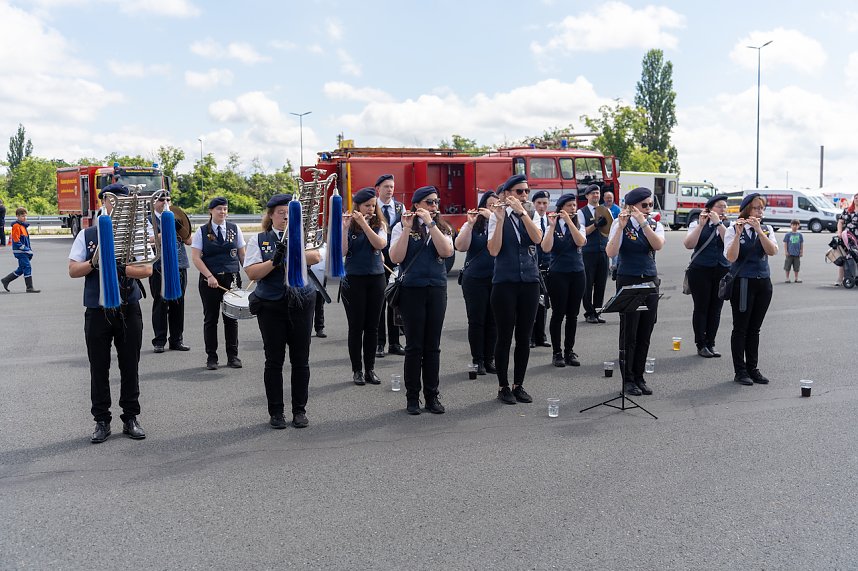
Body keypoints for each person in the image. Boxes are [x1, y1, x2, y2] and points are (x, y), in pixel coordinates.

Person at [68, 185, 152, 443]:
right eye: (113, 200)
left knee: (130, 365)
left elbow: (147, 270)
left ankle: (130, 417)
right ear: (104, 202)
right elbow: (73, 270)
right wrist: (94, 263)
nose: (118, 205)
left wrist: (121, 268)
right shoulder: (88, 234)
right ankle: (102, 420)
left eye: (123, 201)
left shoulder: (135, 234)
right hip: (97, 309)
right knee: (98, 366)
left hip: (128, 307)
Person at [244, 194, 319, 428]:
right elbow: (252, 273)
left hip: (301, 304)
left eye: (289, 212)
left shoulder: (303, 235)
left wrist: (292, 249)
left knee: (301, 360)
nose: (286, 216)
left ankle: (299, 410)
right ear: (271, 215)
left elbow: (316, 256)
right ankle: (276, 412)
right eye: (280, 212)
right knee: (273, 361)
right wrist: (274, 260)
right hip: (271, 306)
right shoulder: (259, 240)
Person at [389, 185, 454, 414]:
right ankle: (412, 397)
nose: (434, 206)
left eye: (436, 202)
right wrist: (407, 229)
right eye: (429, 202)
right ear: (417, 205)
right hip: (412, 290)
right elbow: (396, 257)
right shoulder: (401, 226)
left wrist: (431, 224)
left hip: (436, 289)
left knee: (432, 346)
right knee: (414, 346)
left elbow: (446, 252)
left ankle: (432, 396)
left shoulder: (442, 227)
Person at [488, 174, 543, 405]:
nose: (524, 196)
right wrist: (500, 220)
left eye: (526, 192)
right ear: (507, 194)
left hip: (529, 281)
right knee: (504, 336)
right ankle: (503, 386)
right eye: (519, 192)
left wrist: (523, 213)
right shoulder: (495, 215)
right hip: (505, 282)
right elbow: (493, 249)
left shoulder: (532, 214)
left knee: (524, 336)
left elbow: (537, 238)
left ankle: (518, 384)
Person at [605, 187, 665, 396]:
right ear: (632, 207)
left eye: (650, 205)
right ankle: (628, 379)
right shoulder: (618, 223)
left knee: (645, 331)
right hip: (628, 278)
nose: (648, 208)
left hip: (649, 279)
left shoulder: (654, 224)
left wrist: (643, 222)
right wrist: (621, 228)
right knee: (629, 331)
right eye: (644, 205)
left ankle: (639, 376)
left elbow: (657, 245)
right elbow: (611, 252)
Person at [724, 193, 778, 386]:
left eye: (762, 208)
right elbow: (731, 257)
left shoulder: (767, 228)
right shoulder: (733, 228)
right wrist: (739, 234)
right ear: (747, 209)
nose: (760, 211)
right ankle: (740, 371)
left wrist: (760, 231)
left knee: (755, 329)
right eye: (756, 208)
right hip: (743, 283)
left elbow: (772, 251)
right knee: (741, 328)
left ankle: (753, 368)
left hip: (763, 282)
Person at [191, 196, 246, 370]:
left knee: (231, 319)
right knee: (211, 319)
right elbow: (196, 258)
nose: (222, 212)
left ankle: (233, 356)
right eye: (219, 209)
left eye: (225, 209)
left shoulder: (234, 228)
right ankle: (211, 357)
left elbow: (242, 255)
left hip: (231, 279)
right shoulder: (201, 231)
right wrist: (209, 276)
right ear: (211, 211)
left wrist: (252, 272)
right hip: (210, 280)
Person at [341, 187, 388, 386]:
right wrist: (344, 228)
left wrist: (365, 225)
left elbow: (380, 244)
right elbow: (342, 251)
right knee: (356, 327)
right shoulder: (349, 224)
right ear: (357, 206)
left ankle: (370, 369)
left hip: (376, 278)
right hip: (354, 279)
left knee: (372, 327)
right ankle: (357, 370)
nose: (370, 209)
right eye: (366, 205)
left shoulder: (379, 223)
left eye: (373, 205)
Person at [455, 190, 499, 375]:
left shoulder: (500, 225)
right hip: (474, 279)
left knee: (494, 321)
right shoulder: (473, 224)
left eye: (496, 206)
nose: (493, 209)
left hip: (496, 278)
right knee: (477, 320)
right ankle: (477, 360)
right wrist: (470, 225)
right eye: (490, 205)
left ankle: (490, 359)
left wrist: (495, 221)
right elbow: (460, 246)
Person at [541, 193, 587, 368]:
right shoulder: (551, 225)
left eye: (574, 206)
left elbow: (580, 242)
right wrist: (552, 227)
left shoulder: (578, 225)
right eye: (569, 206)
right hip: (558, 274)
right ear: (561, 208)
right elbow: (546, 248)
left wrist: (570, 222)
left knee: (573, 315)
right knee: (558, 314)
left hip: (577, 273)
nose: (573, 208)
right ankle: (557, 352)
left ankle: (569, 350)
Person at [682, 194, 730, 358]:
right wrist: (701, 225)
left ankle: (711, 342)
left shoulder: (728, 225)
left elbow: (729, 242)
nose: (723, 209)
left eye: (724, 206)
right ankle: (700, 343)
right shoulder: (697, 223)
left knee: (716, 309)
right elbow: (689, 244)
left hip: (721, 269)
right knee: (701, 307)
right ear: (710, 208)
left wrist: (719, 223)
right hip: (700, 270)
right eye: (719, 206)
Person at [149, 191, 191, 353]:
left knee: (178, 303)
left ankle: (176, 340)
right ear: (154, 203)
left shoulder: (176, 218)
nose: (165, 202)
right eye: (161, 200)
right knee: (161, 303)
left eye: (168, 199)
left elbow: (188, 240)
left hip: (179, 264)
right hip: (160, 266)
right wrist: (166, 229)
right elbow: (149, 240)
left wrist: (179, 226)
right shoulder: (148, 220)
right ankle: (159, 340)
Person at [374, 174, 406, 357]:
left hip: (395, 258)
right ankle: (380, 343)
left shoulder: (400, 207)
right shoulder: (373, 206)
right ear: (378, 188)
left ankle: (394, 342)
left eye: (392, 186)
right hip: (378, 258)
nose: (390, 190)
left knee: (395, 302)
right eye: (386, 186)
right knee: (380, 303)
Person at [578, 184, 610, 323]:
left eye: (597, 193)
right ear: (587, 196)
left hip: (603, 250)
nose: (595, 196)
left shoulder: (605, 210)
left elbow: (610, 229)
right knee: (588, 283)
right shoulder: (581, 212)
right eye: (592, 194)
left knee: (601, 283)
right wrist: (596, 224)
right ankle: (589, 312)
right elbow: (583, 231)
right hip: (588, 252)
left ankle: (598, 311)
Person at [529, 190, 552, 348]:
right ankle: (530, 336)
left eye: (545, 203)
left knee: (544, 303)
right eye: (539, 203)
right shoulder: (531, 220)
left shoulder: (550, 221)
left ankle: (541, 336)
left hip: (547, 267)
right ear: (534, 204)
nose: (542, 206)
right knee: (531, 304)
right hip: (533, 267)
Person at [2, 207, 40, 293]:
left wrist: (29, 250)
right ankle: (29, 287)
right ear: (17, 216)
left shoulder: (23, 226)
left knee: (21, 269)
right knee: (27, 267)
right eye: (22, 216)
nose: (24, 218)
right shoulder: (16, 226)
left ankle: (6, 280)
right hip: (20, 252)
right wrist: (26, 249)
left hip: (24, 251)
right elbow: (16, 240)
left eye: (25, 216)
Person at [835, 193, 858, 286]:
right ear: (853, 199)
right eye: (856, 198)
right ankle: (840, 279)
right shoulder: (847, 210)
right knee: (844, 258)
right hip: (846, 238)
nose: (857, 199)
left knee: (856, 258)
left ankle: (855, 277)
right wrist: (839, 232)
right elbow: (840, 222)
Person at [310, 244, 328, 338]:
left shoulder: (324, 246)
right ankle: (307, 329)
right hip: (307, 282)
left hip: (320, 281)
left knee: (319, 307)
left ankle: (319, 328)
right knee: (306, 308)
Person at [782, 219, 804, 283]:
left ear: (798, 226)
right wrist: (786, 251)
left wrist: (801, 251)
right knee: (787, 266)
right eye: (793, 225)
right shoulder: (788, 235)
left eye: (796, 225)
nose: (795, 226)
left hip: (797, 254)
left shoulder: (800, 235)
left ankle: (796, 278)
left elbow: (801, 243)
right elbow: (785, 243)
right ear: (791, 225)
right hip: (789, 253)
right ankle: (787, 278)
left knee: (796, 266)